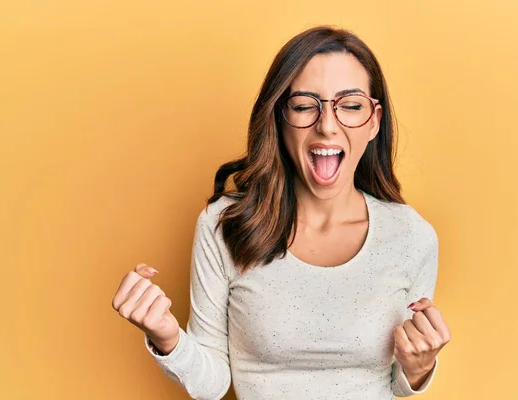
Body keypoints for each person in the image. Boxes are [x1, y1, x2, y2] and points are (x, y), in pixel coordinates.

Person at [112, 25, 451, 400]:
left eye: (350, 106)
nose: (326, 126)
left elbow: (397, 383)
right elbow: (213, 384)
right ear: (279, 118)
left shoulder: (412, 237)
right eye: (305, 105)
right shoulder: (226, 225)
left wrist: (419, 369)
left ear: (373, 122)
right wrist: (167, 337)